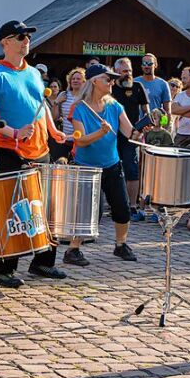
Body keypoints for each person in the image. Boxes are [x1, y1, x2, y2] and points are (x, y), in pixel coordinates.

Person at [0, 20, 67, 285]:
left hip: (41, 149)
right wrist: (13, 133)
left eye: (27, 36)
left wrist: (52, 129)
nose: (26, 40)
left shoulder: (33, 73)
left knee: (48, 208)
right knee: (14, 211)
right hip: (11, 151)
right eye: (20, 36)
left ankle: (43, 263)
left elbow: (41, 105)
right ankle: (5, 270)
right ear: (5, 42)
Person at [68, 63, 140, 264]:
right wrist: (101, 132)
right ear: (94, 81)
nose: (112, 82)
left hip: (112, 164)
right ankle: (73, 250)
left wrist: (142, 129)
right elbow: (80, 139)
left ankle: (120, 245)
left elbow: (129, 132)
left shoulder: (114, 106)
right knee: (88, 211)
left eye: (112, 79)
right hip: (87, 167)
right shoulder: (79, 108)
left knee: (122, 207)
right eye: (108, 79)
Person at [110, 57, 150, 222]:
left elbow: (146, 111)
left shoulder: (138, 87)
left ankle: (132, 206)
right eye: (125, 71)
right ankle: (115, 205)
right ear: (117, 71)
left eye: (130, 71)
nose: (128, 74)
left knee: (132, 170)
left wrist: (147, 124)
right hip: (111, 135)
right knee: (112, 171)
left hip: (131, 136)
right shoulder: (110, 87)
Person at [51, 68, 85, 161]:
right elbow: (55, 117)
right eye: (73, 79)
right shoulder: (64, 94)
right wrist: (57, 102)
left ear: (84, 82)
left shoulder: (87, 97)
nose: (75, 80)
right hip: (64, 139)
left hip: (80, 141)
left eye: (78, 79)